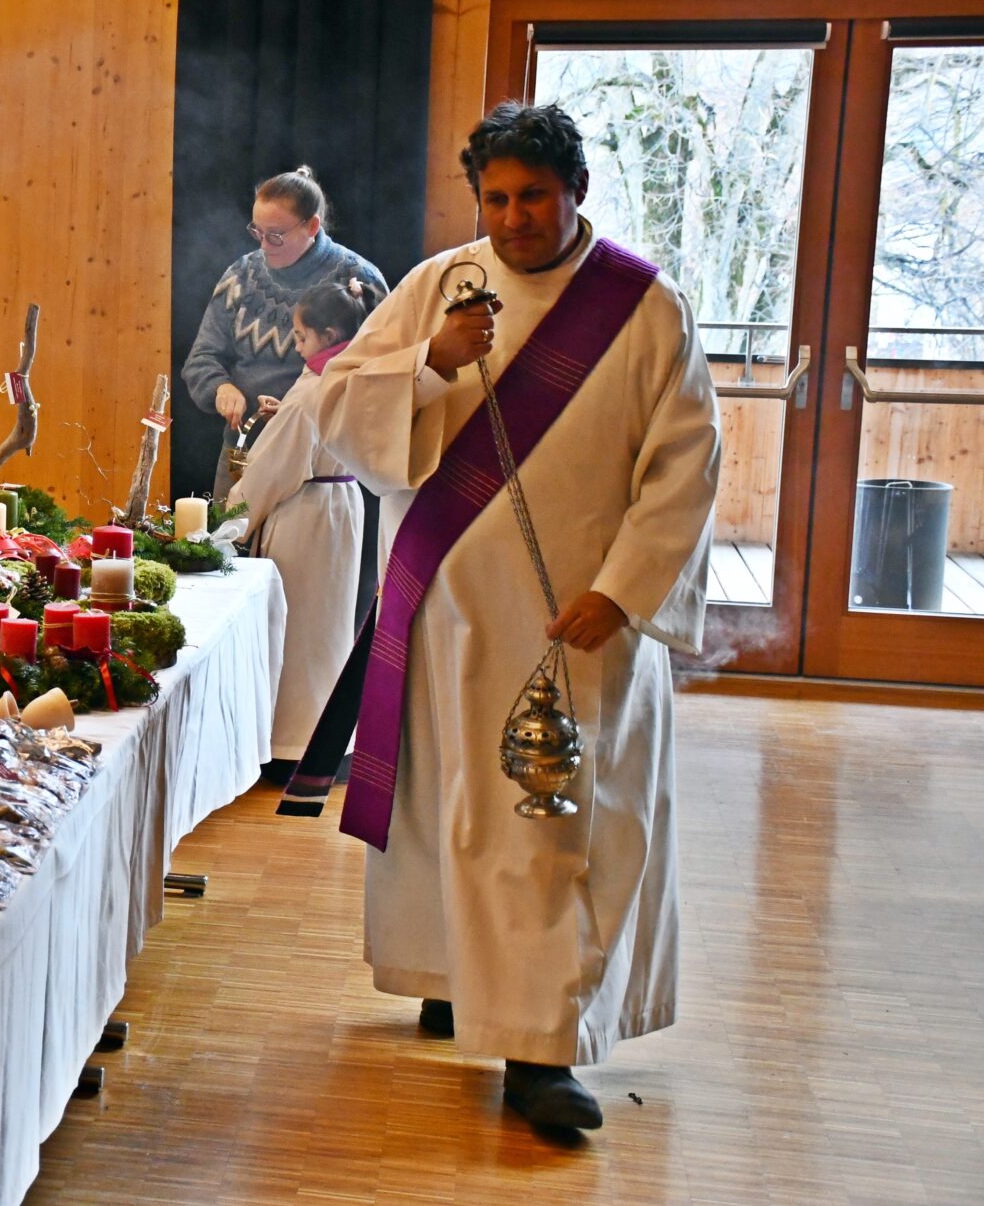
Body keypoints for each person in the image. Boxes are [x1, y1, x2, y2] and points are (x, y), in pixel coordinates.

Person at [305, 102, 720, 1132]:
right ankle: (455, 973)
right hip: (450, 619)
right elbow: (337, 404)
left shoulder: (643, 308)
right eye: (494, 198)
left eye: (533, 195)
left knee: (550, 832)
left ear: (576, 190)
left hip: (573, 630)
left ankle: (540, 1051)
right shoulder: (440, 286)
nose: (512, 217)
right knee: (455, 814)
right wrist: (430, 362)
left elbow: (685, 465)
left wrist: (624, 590)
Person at [181, 166, 385, 502]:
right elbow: (201, 358)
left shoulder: (358, 278)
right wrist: (220, 387)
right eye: (257, 231)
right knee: (227, 536)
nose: (264, 245)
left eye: (275, 235)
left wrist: (301, 410)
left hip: (317, 466)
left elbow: (380, 377)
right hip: (242, 450)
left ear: (312, 226)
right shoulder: (241, 275)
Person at [232, 281, 368, 785]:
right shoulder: (354, 374)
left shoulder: (310, 392)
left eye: (301, 337)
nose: (295, 346)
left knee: (299, 633)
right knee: (328, 631)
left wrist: (229, 522)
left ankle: (291, 746)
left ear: (328, 334)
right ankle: (327, 742)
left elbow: (272, 472)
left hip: (306, 516)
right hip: (342, 507)